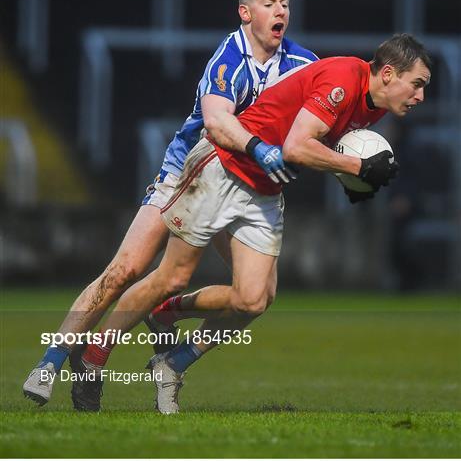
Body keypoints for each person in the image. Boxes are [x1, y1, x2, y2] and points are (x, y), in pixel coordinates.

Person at [63, 33, 431, 414]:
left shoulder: (376, 108)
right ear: (388, 73)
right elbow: (296, 147)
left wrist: (348, 180)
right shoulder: (342, 80)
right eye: (417, 84)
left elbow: (317, 145)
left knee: (254, 299)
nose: (420, 96)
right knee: (171, 276)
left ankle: (172, 361)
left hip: (264, 188)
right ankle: (92, 355)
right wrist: (357, 167)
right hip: (223, 167)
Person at [23, 0, 318, 408]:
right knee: (126, 268)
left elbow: (326, 107)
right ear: (245, 12)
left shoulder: (302, 63)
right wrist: (263, 149)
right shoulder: (228, 60)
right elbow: (217, 123)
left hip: (242, 186)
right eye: (270, 2)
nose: (281, 11)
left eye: (286, 3)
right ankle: (54, 359)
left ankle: (164, 328)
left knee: (254, 297)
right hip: (188, 175)